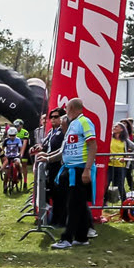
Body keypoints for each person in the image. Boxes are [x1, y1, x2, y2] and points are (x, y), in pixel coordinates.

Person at [51, 99, 97, 249]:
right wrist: (48, 158)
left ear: (71, 108)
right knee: (79, 205)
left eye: (66, 108)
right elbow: (65, 149)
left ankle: (67, 239)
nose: (65, 110)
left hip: (79, 169)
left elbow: (92, 145)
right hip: (70, 169)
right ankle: (82, 237)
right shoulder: (72, 125)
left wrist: (87, 169)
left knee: (73, 205)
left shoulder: (84, 122)